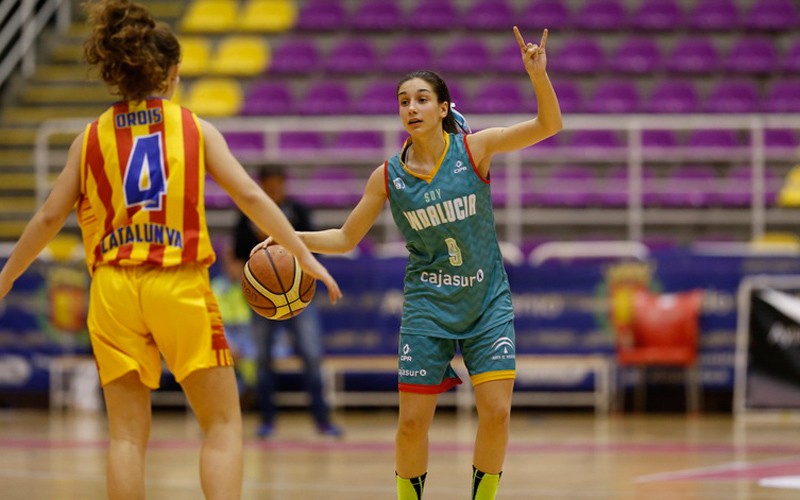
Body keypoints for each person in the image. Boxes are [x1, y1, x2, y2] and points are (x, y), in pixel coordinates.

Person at [0, 1, 341, 499]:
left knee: (126, 436)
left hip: (113, 287)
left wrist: (7, 276)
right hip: (176, 280)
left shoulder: (88, 138)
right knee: (222, 425)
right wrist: (305, 256)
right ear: (172, 73)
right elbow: (249, 196)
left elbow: (49, 217)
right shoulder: (193, 127)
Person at [253, 27, 561, 500]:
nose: (411, 108)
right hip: (428, 304)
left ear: (443, 109)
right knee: (412, 424)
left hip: (485, 299)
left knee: (497, 412)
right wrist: (290, 238)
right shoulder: (388, 175)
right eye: (403, 101)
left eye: (421, 99)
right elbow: (344, 237)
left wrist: (538, 76)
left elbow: (548, 125)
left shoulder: (475, 150)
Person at [233, 165, 342, 438]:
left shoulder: (298, 211)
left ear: (284, 183)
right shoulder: (247, 215)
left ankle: (322, 421)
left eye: (277, 183)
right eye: (268, 184)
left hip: (300, 298)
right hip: (264, 301)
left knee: (312, 356)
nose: (273, 189)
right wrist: (257, 273)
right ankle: (267, 421)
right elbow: (236, 259)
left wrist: (292, 268)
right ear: (262, 184)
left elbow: (317, 250)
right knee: (262, 360)